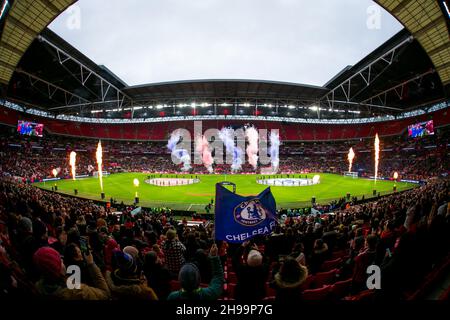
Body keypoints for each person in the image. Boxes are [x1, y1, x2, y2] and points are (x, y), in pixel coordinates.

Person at [33, 247, 110, 300]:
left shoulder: (38, 287)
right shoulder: (78, 292)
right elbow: (105, 294)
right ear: (56, 269)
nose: (62, 261)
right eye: (60, 261)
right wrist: (91, 264)